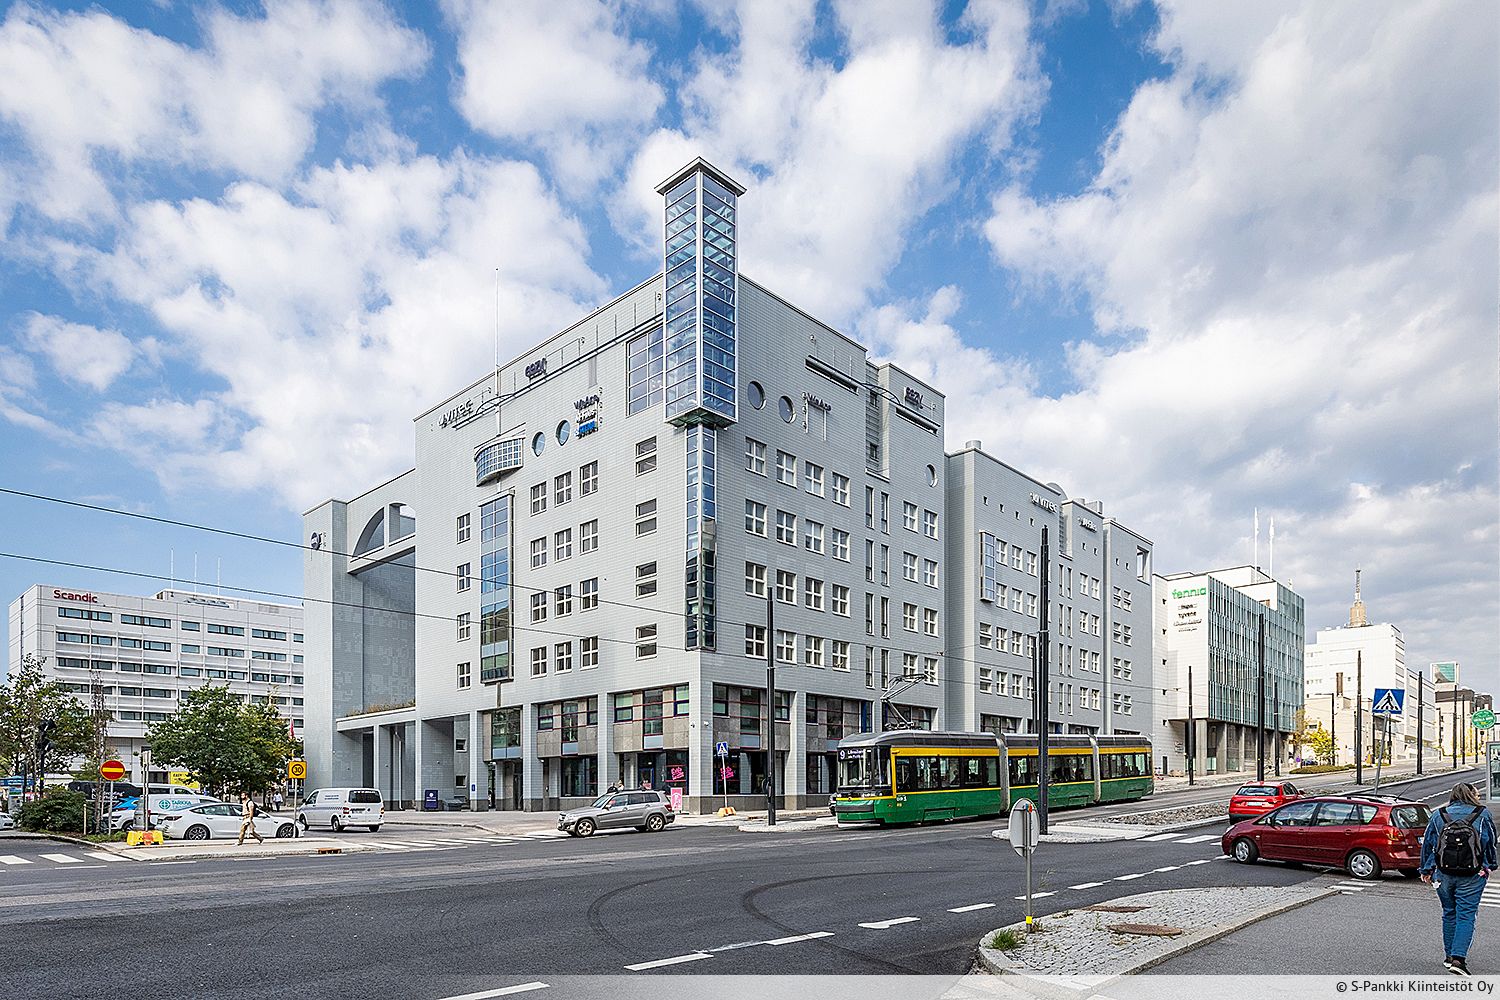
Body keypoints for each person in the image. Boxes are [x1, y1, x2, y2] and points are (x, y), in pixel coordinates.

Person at [1420, 781, 1497, 976]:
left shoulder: (1438, 815)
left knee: (1449, 912)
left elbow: (1428, 844)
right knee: (1466, 915)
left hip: (1443, 874)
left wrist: (1426, 869)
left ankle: (1449, 957)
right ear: (1471, 795)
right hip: (1473, 874)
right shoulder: (1482, 814)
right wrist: (1490, 865)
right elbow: (1490, 842)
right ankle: (1458, 960)